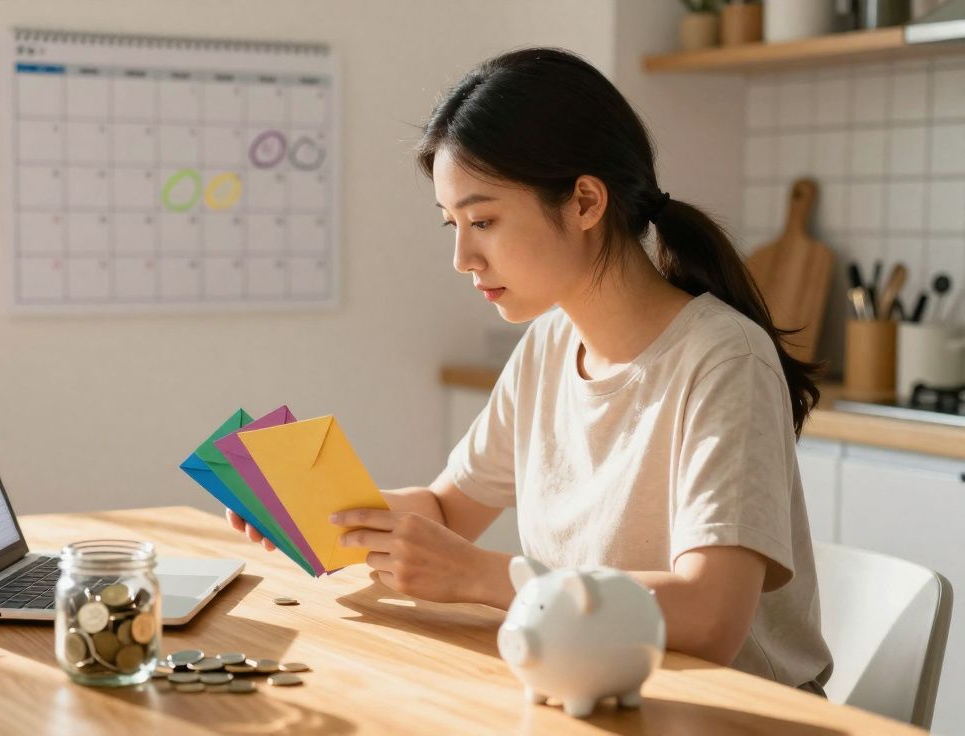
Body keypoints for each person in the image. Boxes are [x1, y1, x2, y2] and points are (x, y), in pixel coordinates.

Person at [225, 48, 832, 693]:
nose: (462, 257)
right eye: (452, 224)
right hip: (592, 688)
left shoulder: (723, 359)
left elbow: (711, 617)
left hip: (728, 710)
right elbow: (445, 512)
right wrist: (312, 514)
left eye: (483, 220)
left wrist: (482, 576)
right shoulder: (548, 344)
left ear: (585, 202)